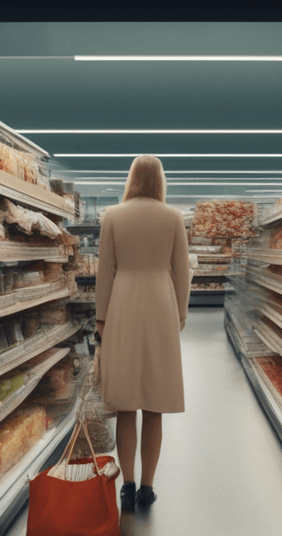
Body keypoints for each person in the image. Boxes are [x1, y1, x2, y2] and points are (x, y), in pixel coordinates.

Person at [95, 155, 190, 513]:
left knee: (125, 403)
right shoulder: (173, 218)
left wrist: (101, 319)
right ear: (160, 180)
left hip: (122, 305)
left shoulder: (113, 217)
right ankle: (148, 486)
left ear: (132, 179)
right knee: (155, 404)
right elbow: (182, 272)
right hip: (161, 305)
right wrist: (179, 312)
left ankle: (128, 483)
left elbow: (105, 272)